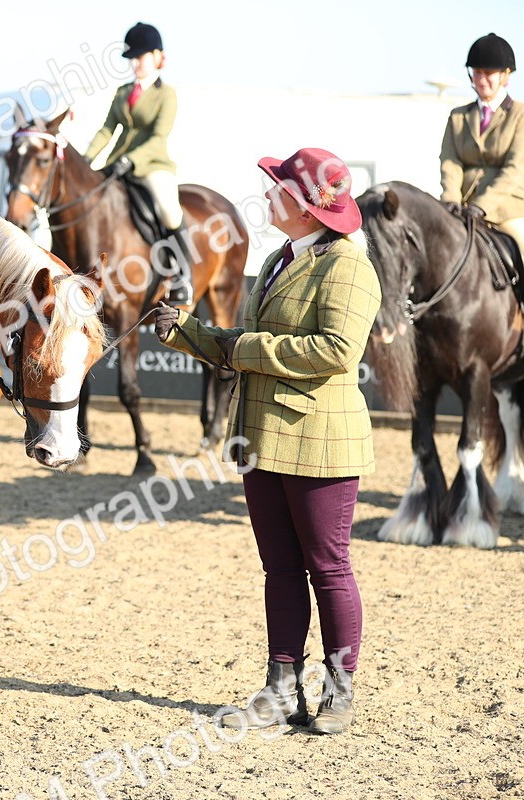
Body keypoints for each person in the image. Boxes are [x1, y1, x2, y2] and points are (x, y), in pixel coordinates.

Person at [151, 148, 381, 735]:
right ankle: (282, 690)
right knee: (279, 569)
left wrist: (240, 349)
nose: (268, 195)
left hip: (320, 439)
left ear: (305, 207)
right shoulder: (283, 257)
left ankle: (338, 689)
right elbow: (245, 340)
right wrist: (186, 331)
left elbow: (335, 352)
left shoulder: (348, 266)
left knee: (328, 568)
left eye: (277, 188)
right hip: (263, 436)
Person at [440, 32, 524, 373]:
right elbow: (450, 162)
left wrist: (483, 205)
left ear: (505, 76)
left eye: (489, 72)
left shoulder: (523, 115)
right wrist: (450, 202)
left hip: (508, 207)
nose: (481, 78)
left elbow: (514, 169)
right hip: (462, 207)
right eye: (476, 72)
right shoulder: (458, 116)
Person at [85, 22, 191, 306]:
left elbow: (159, 136)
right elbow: (107, 130)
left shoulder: (166, 94)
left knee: (170, 212)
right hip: (116, 164)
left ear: (157, 56)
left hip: (152, 165)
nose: (135, 63)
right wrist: (87, 160)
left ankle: (182, 276)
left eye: (140, 57)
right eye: (132, 58)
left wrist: (131, 159)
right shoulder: (122, 92)